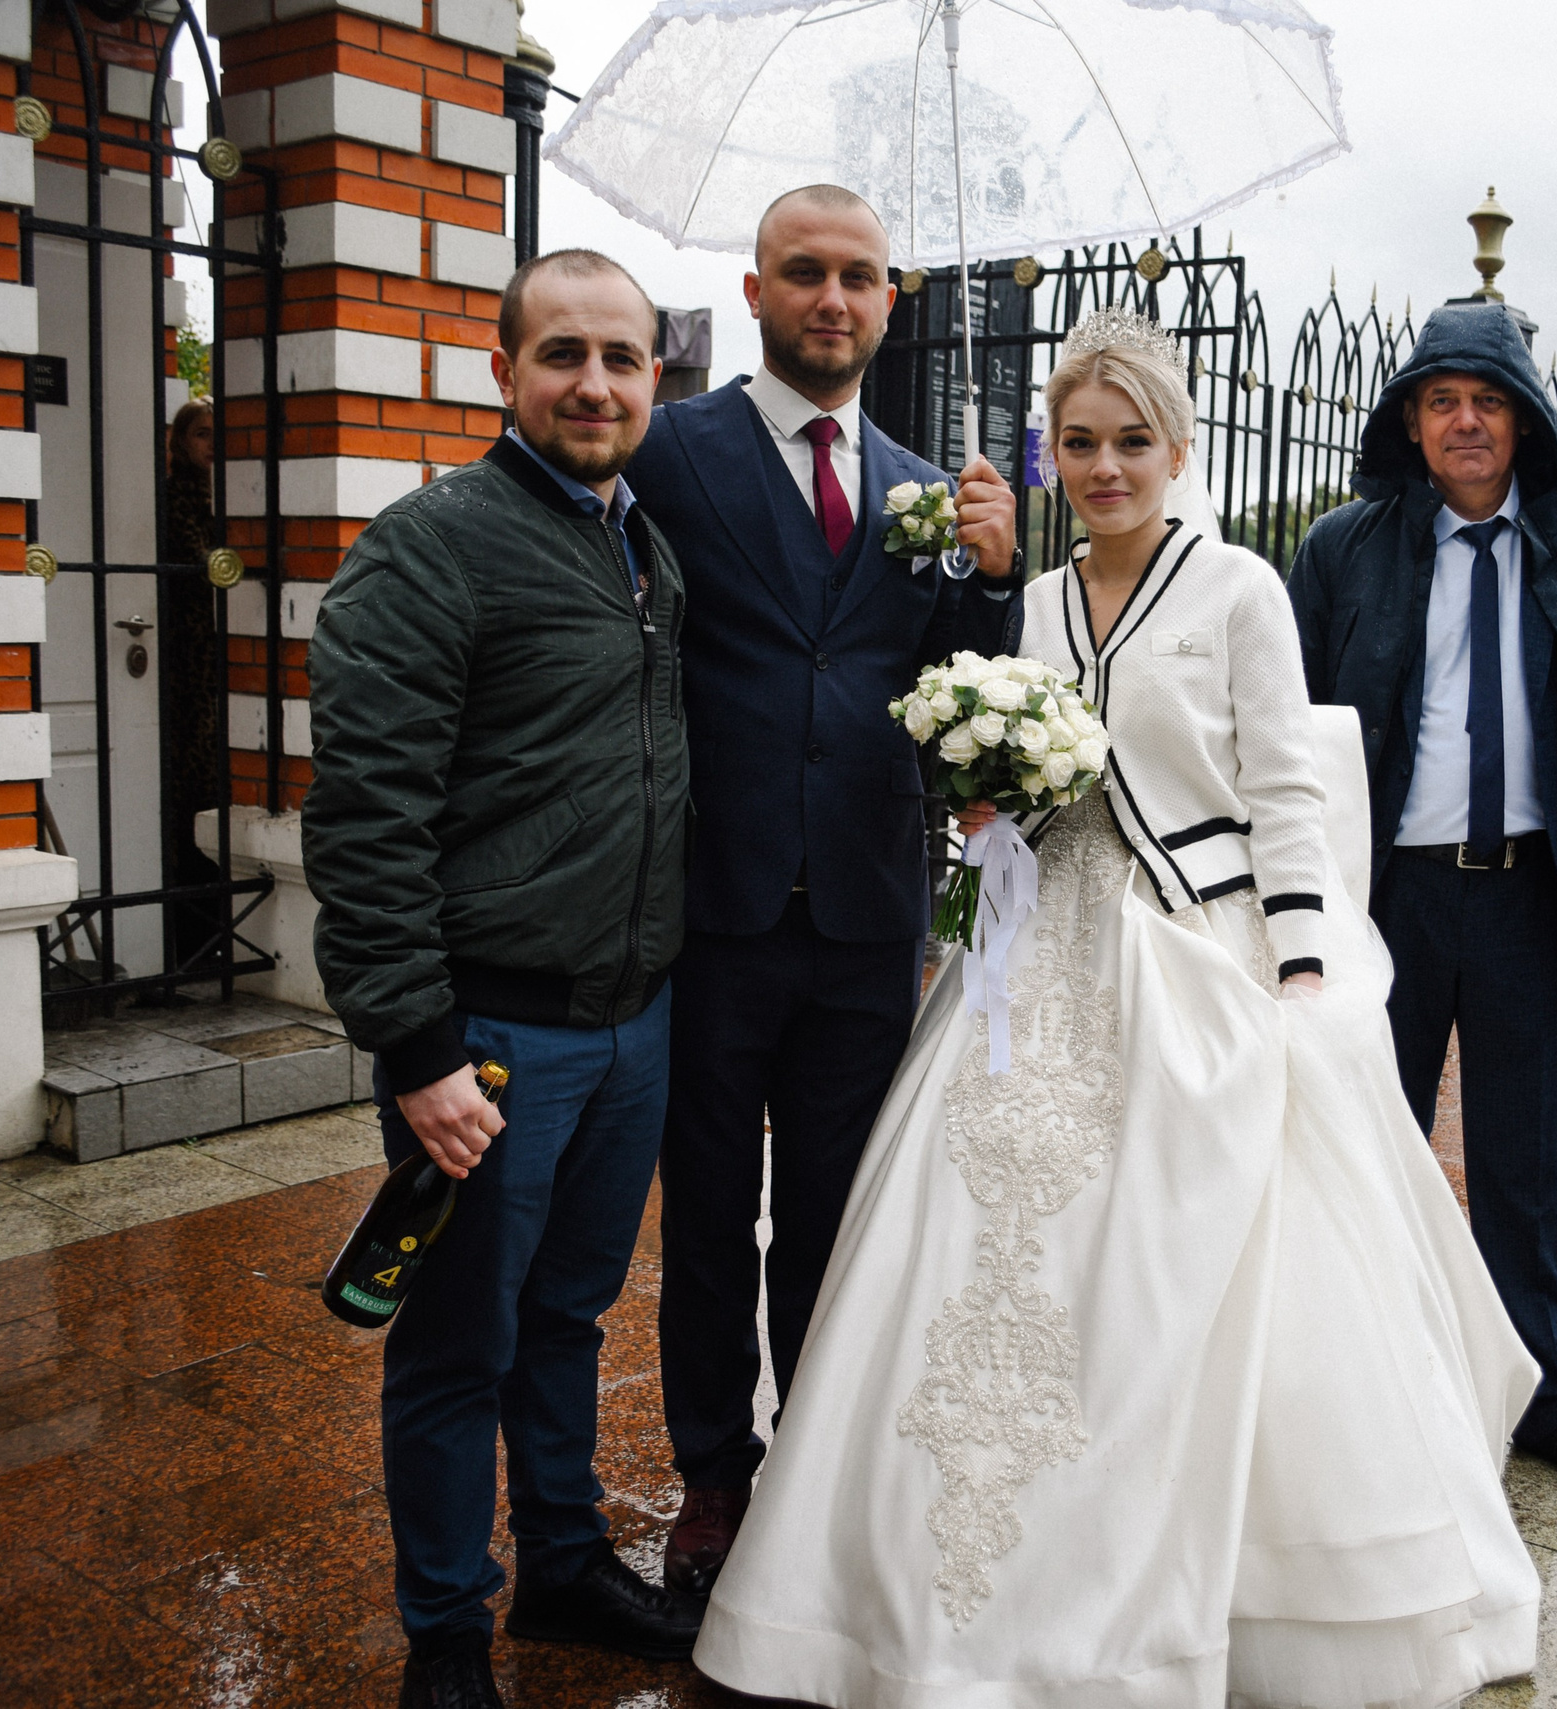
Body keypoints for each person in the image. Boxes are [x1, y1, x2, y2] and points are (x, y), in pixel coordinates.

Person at [689, 309, 1542, 1709]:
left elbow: (1281, 789)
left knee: (1175, 1256)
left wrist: (1304, 966)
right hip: (1033, 958)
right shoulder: (1028, 600)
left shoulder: (1241, 590)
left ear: (1178, 445)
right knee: (976, 1239)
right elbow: (1017, 792)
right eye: (1078, 443)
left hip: (1192, 954)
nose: (1104, 466)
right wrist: (985, 793)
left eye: (1131, 441)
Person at [303, 249, 704, 1709]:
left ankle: (565, 1561)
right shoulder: (432, 546)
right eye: (563, 355)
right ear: (505, 372)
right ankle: (448, 1633)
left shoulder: (646, 547)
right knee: (458, 1339)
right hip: (485, 1035)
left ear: (658, 377)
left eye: (623, 357)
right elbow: (364, 816)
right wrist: (414, 1047)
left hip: (632, 1024)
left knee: (569, 1316)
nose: (594, 383)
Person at [625, 183, 1023, 1596]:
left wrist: (988, 578)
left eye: (859, 276)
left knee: (840, 1217)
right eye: (805, 272)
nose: (833, 299)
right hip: (713, 910)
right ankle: (716, 1479)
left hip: (867, 917)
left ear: (891, 302)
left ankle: (818, 1457)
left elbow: (958, 693)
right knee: (713, 1210)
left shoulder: (928, 487)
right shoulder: (672, 450)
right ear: (755, 291)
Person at [1286, 299, 1557, 1510]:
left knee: (1523, 1166)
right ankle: (1367, 1387)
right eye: (1441, 401)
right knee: (1366, 1150)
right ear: (1410, 423)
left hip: (1526, 894)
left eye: (1488, 400)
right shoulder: (1342, 548)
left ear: (1523, 419)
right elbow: (1284, 731)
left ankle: (1545, 1396)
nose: (1465, 421)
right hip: (1386, 902)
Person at [159, 398, 222, 970]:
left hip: (219, 660)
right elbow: (202, 564)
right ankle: (191, 932)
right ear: (180, 442)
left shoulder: (226, 497)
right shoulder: (175, 497)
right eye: (201, 434)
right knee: (192, 788)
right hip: (186, 660)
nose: (212, 445)